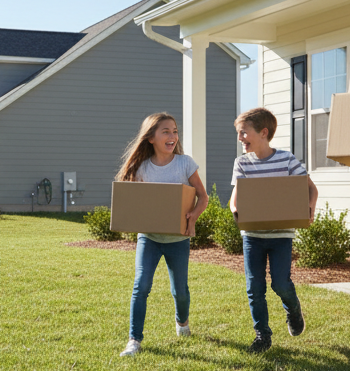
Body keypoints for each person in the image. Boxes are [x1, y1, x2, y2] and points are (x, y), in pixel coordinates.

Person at [117, 112, 209, 357]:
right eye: (165, 131)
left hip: (178, 240)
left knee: (180, 290)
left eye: (175, 131)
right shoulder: (142, 168)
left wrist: (193, 217)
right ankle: (134, 340)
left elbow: (203, 196)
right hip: (149, 238)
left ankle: (182, 322)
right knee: (141, 286)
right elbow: (132, 202)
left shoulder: (185, 164)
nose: (172, 136)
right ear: (151, 138)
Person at [229, 108, 317, 353]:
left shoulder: (287, 160)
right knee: (254, 287)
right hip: (252, 237)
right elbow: (234, 199)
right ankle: (262, 336)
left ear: (263, 133)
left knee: (280, 284)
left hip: (281, 236)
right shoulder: (242, 163)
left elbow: (311, 189)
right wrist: (236, 211)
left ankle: (293, 308)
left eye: (244, 133)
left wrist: (309, 209)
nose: (240, 138)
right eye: (239, 133)